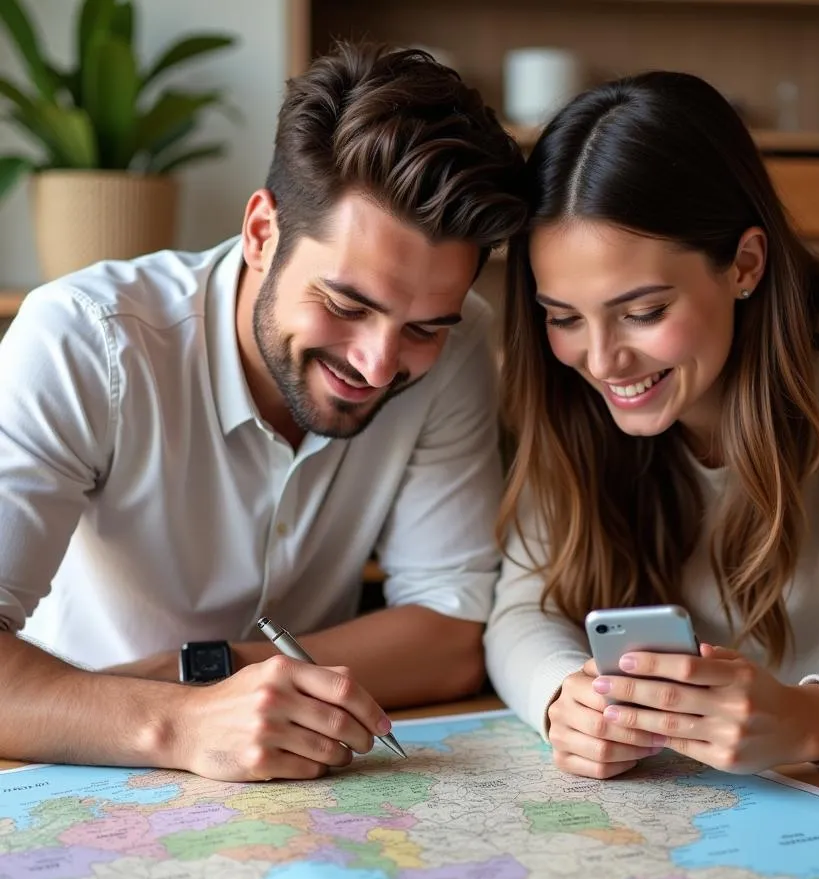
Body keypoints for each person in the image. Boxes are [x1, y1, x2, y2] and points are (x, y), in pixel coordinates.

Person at [0, 42, 527, 781]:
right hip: (86, 770)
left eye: (422, 328)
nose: (378, 364)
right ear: (260, 233)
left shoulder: (458, 344)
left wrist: (211, 671)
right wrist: (181, 724)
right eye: (346, 305)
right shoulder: (86, 340)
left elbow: (448, 634)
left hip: (305, 785)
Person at [485, 70, 819, 780]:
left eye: (643, 312)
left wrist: (812, 719)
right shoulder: (566, 389)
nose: (602, 359)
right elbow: (518, 615)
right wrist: (562, 695)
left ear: (744, 265)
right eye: (562, 317)